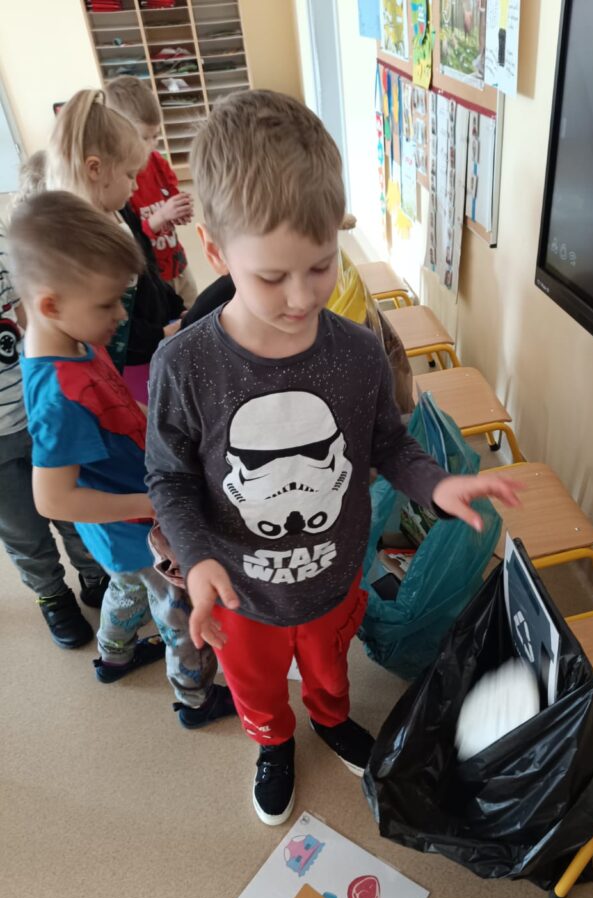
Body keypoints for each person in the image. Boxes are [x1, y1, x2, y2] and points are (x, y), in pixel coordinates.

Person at [144, 90, 524, 824]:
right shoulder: (185, 366)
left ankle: (327, 717)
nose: (300, 298)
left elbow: (387, 442)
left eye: (320, 267)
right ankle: (273, 742)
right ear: (216, 253)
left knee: (328, 668)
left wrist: (435, 485)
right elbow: (168, 476)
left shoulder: (355, 351)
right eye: (271, 277)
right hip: (240, 594)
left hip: (333, 575)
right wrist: (197, 557)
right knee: (257, 686)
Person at [9, 190, 235, 728]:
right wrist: (148, 503)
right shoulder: (59, 395)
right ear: (51, 305)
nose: (121, 314)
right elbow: (52, 499)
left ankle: (113, 655)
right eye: (108, 304)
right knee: (176, 610)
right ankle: (195, 699)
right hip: (134, 528)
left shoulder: (75, 340)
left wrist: (158, 424)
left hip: (122, 531)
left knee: (128, 587)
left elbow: (117, 403)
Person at [0, 220, 108, 648]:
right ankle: (52, 594)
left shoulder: (4, 248)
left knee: (73, 506)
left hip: (39, 411)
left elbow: (27, 311)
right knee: (22, 531)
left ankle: (94, 574)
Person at [47, 89, 183, 400]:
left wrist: (176, 307)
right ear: (95, 169)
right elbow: (110, 326)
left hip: (158, 338)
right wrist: (163, 333)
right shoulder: (82, 241)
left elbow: (148, 270)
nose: (135, 186)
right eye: (129, 175)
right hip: (133, 364)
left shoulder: (122, 210)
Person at [104, 75, 197, 308]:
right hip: (153, 276)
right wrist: (162, 216)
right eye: (144, 137)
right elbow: (134, 237)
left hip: (177, 262)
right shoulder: (121, 183)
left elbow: (172, 194)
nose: (152, 144)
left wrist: (178, 211)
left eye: (156, 136)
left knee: (194, 309)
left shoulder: (158, 163)